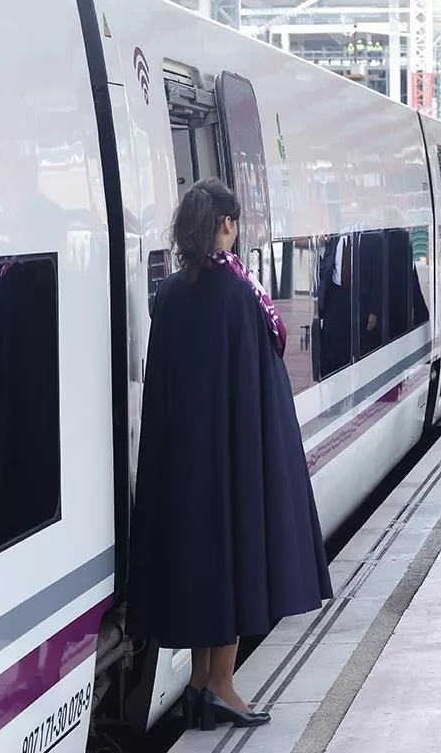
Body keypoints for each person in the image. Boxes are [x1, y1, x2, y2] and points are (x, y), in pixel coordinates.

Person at [126, 179, 333, 729]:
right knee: (236, 563)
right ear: (226, 225)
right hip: (233, 457)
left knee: (200, 569)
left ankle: (199, 685)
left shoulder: (169, 292)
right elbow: (258, 385)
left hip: (183, 465)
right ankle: (221, 685)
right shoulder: (240, 293)